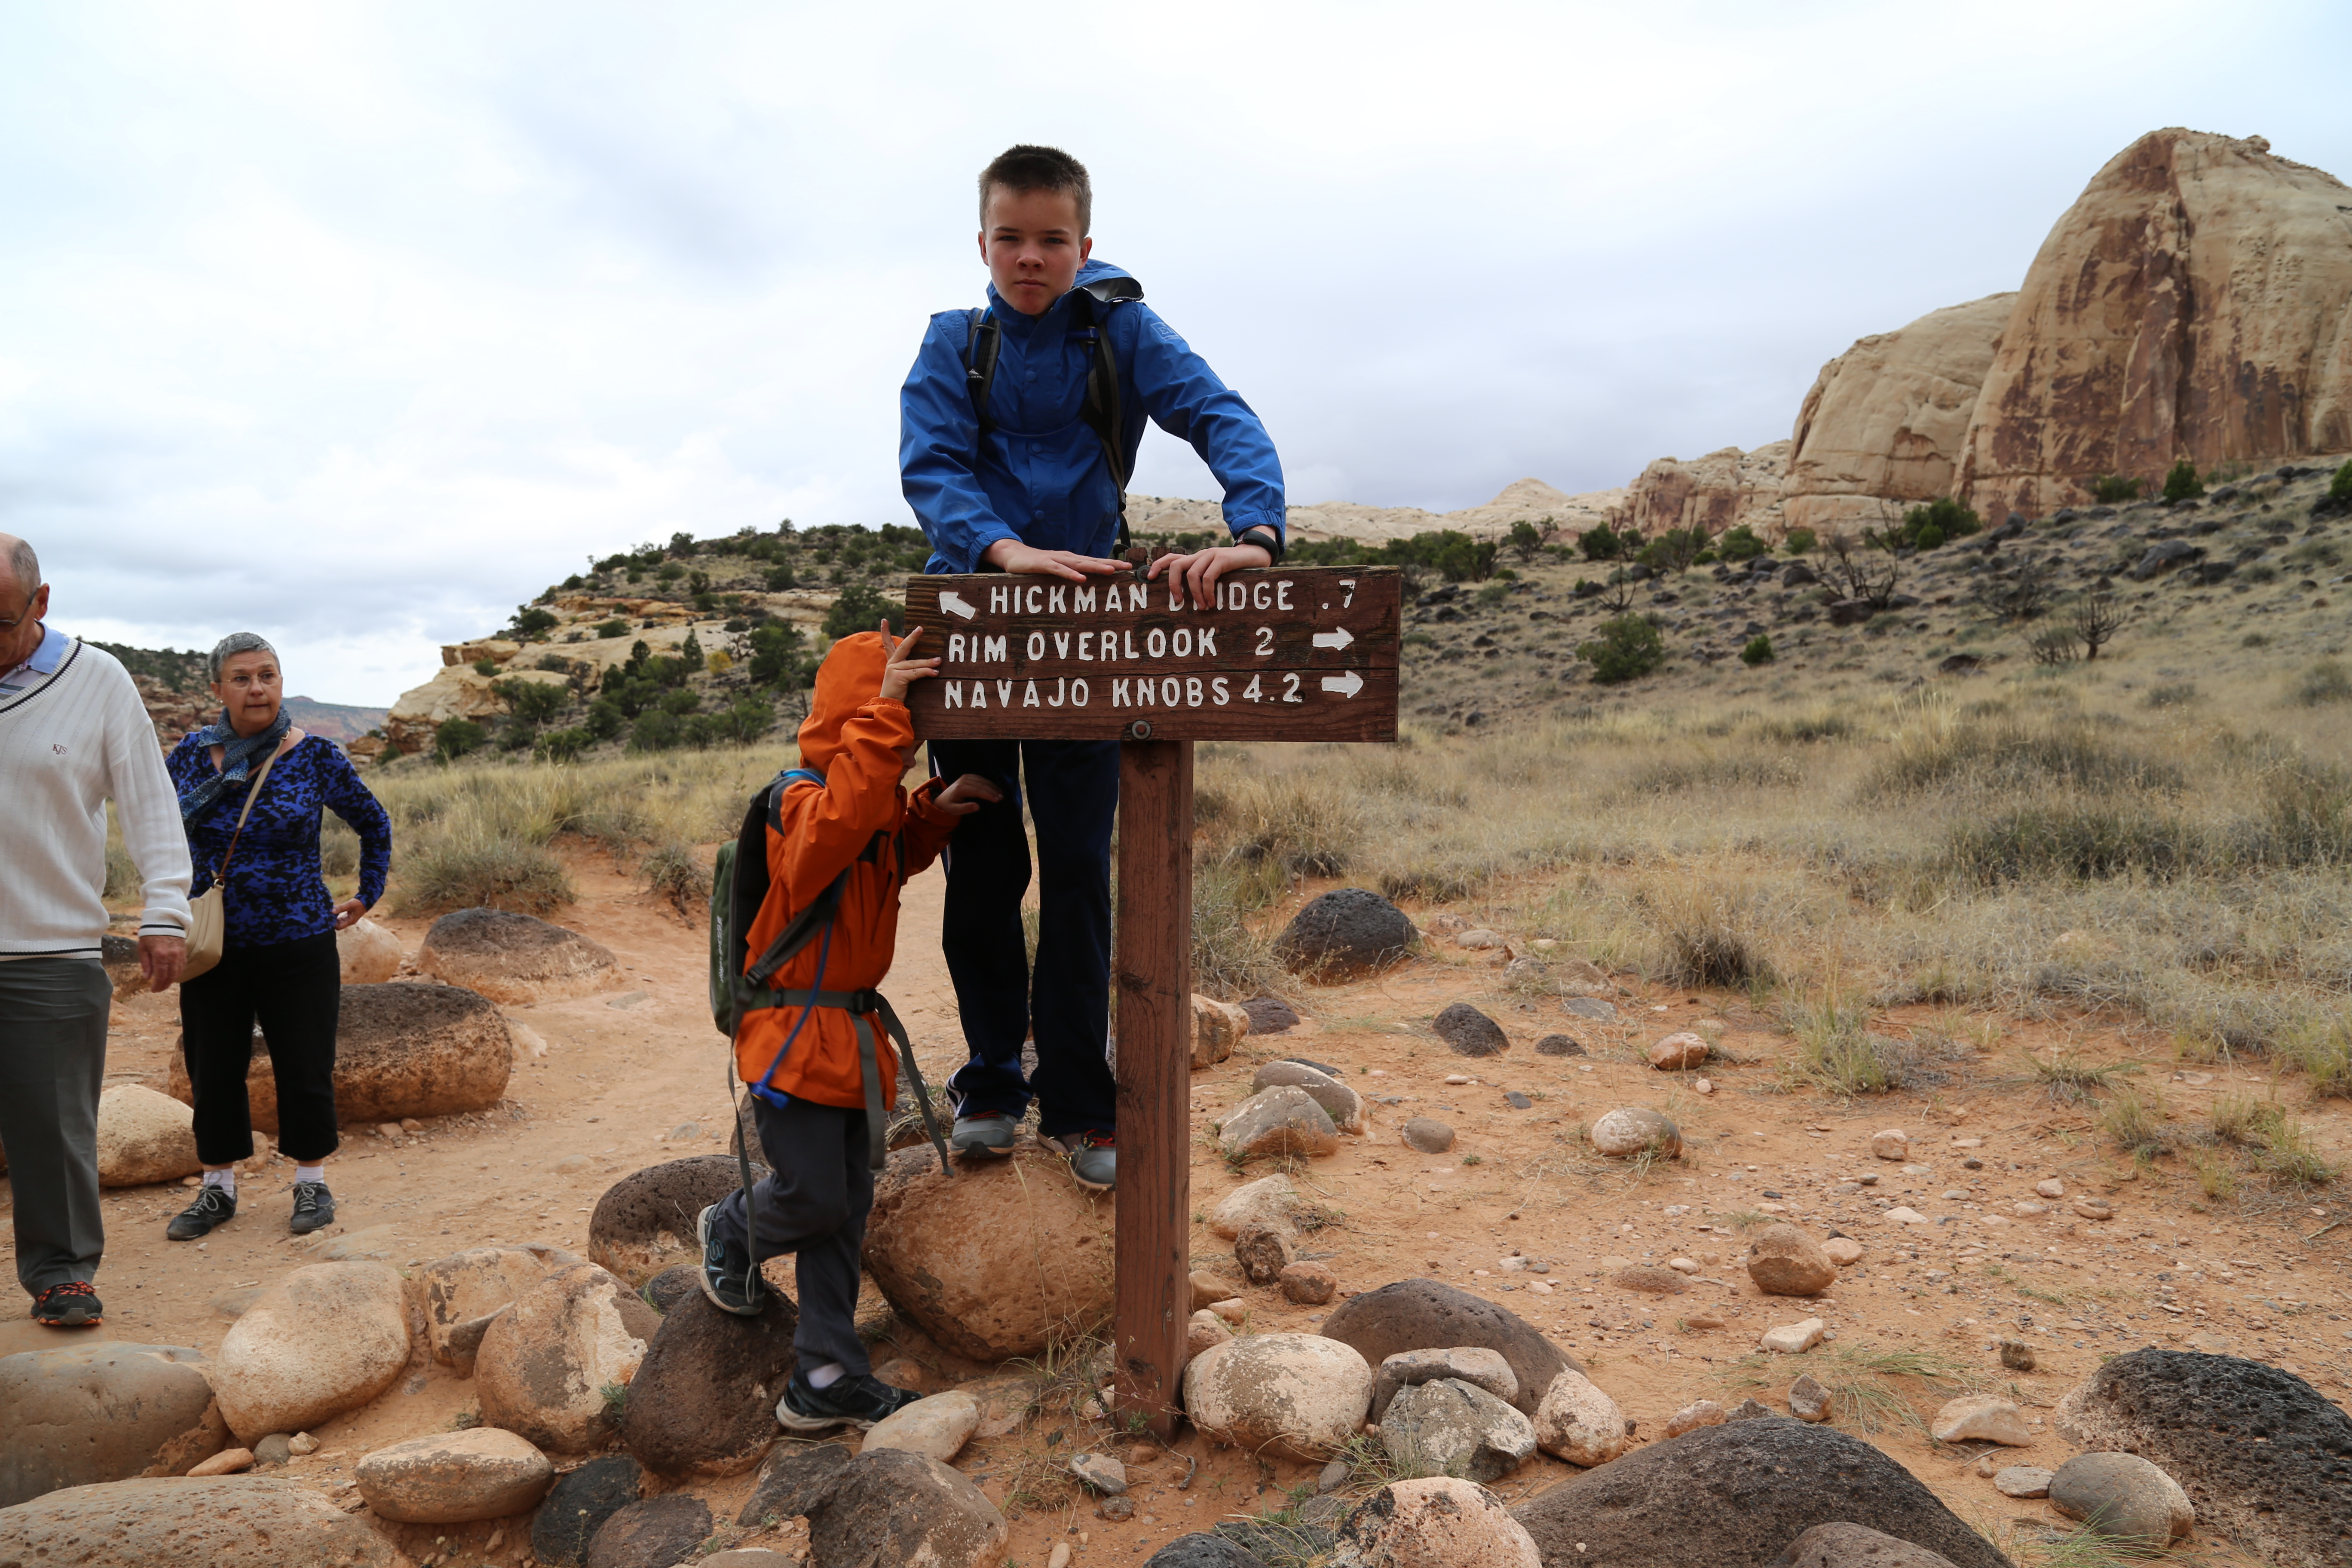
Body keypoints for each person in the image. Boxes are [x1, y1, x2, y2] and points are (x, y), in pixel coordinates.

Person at [899, 144, 1288, 1191]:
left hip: (1088, 639)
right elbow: (930, 465)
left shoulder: (1120, 329)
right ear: (982, 242)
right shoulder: (953, 343)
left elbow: (1220, 412)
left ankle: (1077, 1099)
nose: (1031, 258)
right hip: (976, 627)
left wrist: (1255, 529)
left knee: (1075, 870)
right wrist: (1003, 549)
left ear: (1084, 243)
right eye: (1011, 238)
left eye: (1052, 239)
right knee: (982, 862)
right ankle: (987, 1079)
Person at [698, 624, 1001, 1430]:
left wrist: (935, 811)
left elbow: (885, 850)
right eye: (896, 713)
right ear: (858, 710)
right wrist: (889, 716)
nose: (909, 735)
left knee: (847, 1210)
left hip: (849, 1042)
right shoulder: (795, 799)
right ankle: (728, 1226)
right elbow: (828, 842)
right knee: (811, 1197)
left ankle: (824, 1377)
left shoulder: (861, 803)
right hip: (792, 1038)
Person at [0, 533, 192, 1329]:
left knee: (54, 1126)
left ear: (40, 604)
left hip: (50, 946)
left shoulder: (98, 680)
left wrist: (165, 911)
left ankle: (63, 1272)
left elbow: (149, 799)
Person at [162, 632, 392, 1241]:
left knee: (304, 1064)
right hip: (214, 943)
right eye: (241, 677)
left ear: (281, 683)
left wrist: (369, 891)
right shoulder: (186, 758)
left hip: (299, 938)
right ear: (218, 690)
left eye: (267, 674)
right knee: (212, 1067)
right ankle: (218, 1191)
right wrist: (164, 909)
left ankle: (311, 1182)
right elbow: (158, 836)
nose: (256, 687)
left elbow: (374, 822)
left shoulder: (315, 756)